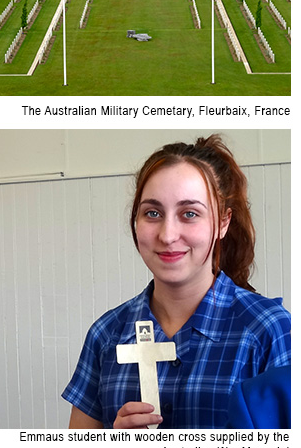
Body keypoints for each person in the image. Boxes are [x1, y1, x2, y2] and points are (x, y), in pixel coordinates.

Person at [62, 136, 291, 429]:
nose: (168, 235)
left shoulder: (269, 329)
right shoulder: (105, 334)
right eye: (153, 213)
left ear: (222, 222)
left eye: (190, 213)